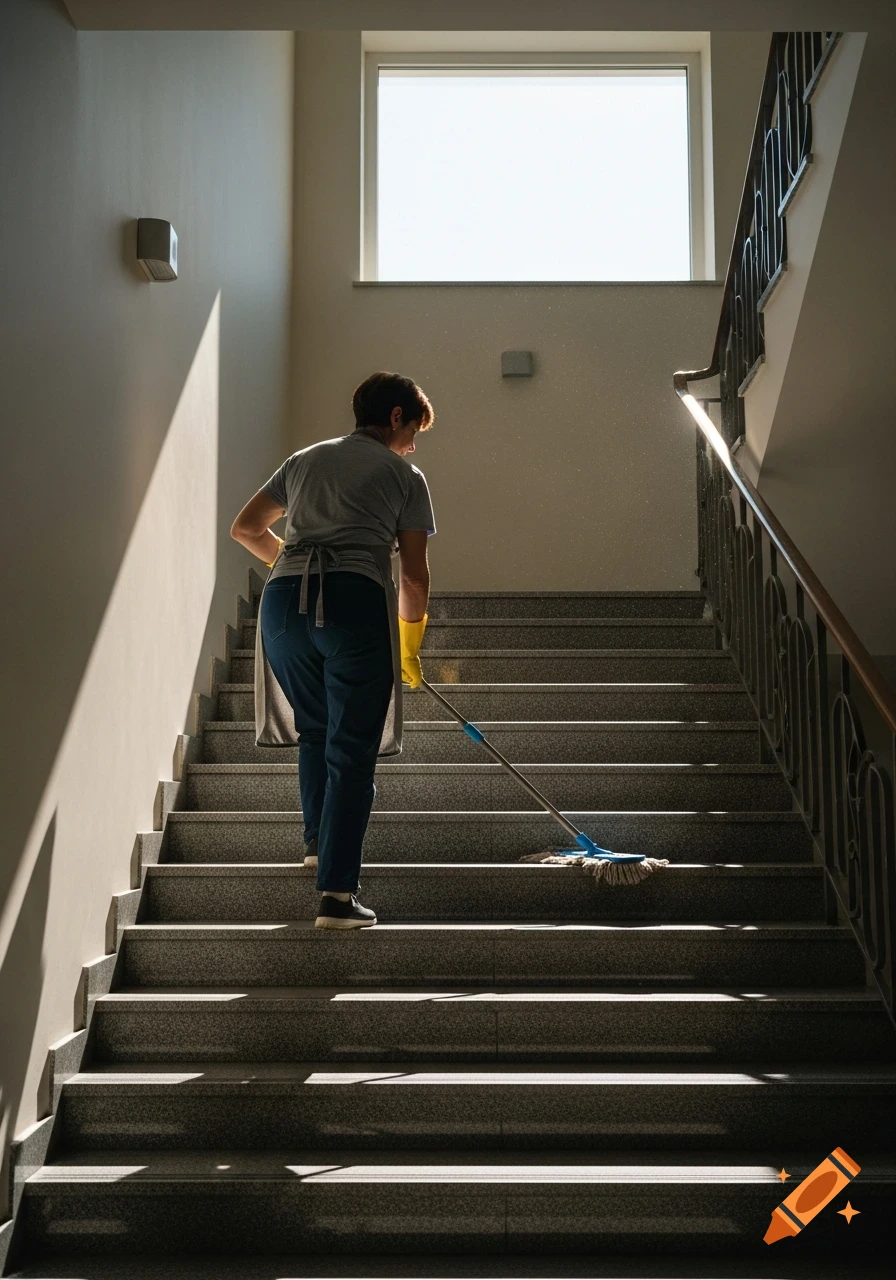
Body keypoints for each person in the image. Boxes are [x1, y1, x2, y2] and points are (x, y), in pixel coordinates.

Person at [230, 372, 436, 929]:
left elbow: (246, 528)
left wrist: (291, 564)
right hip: (352, 600)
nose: (415, 443)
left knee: (316, 730)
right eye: (414, 428)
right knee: (351, 747)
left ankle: (321, 844)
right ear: (395, 417)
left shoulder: (303, 460)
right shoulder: (404, 475)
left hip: (280, 606)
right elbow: (413, 579)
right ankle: (338, 897)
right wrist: (410, 645)